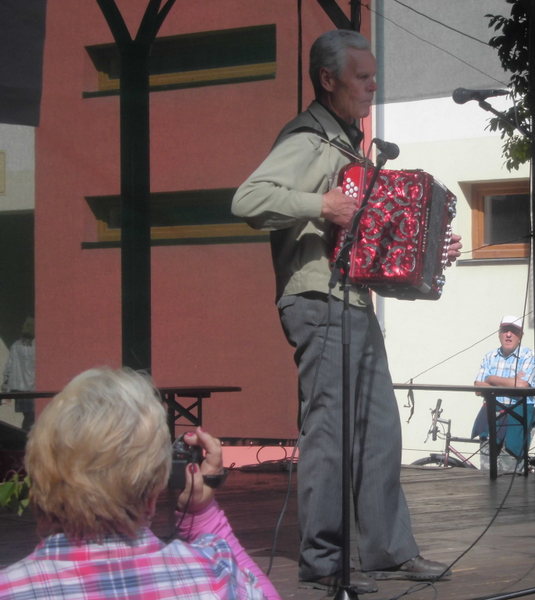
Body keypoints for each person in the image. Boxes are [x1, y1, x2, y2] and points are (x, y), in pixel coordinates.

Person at [232, 29, 459, 593]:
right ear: (328, 80)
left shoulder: (351, 148)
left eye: (373, 76)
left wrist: (429, 251)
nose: (373, 86)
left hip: (353, 300)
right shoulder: (308, 139)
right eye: (363, 77)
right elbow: (247, 199)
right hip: (316, 299)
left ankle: (387, 550)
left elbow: (369, 249)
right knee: (330, 431)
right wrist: (321, 204)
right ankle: (325, 560)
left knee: (380, 429)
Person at [0, 367, 280, 600]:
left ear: (37, 481)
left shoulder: (10, 589)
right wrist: (203, 514)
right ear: (154, 490)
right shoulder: (212, 575)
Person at [472, 315, 535, 473]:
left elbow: (522, 386)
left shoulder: (528, 355)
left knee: (511, 469)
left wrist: (491, 379)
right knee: (487, 470)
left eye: (513, 331)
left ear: (521, 335)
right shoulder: (489, 356)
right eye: (505, 330)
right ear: (499, 334)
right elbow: (478, 388)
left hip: (517, 418)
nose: (508, 335)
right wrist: (511, 383)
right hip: (491, 416)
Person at [2, 317, 36, 431]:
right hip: (33, 390)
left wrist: (6, 390)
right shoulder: (38, 347)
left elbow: (9, 369)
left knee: (29, 417)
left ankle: (25, 436)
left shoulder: (15, 346)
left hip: (20, 391)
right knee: (31, 418)